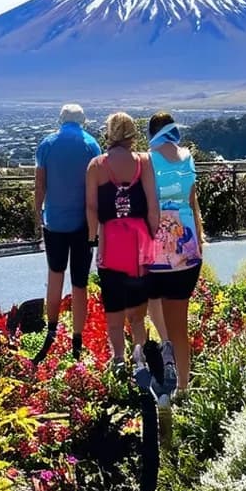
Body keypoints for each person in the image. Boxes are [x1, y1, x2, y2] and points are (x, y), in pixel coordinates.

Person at [86, 112, 160, 369]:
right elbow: (153, 206)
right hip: (140, 245)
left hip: (111, 242)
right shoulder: (145, 162)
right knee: (138, 313)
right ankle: (140, 357)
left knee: (114, 310)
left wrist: (91, 239)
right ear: (132, 134)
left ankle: (118, 359)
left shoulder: (96, 166)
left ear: (109, 134)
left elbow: (92, 208)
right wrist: (154, 237)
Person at [32, 103, 103, 365]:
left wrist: (37, 214)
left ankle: (51, 329)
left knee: (55, 274)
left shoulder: (46, 145)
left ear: (60, 120)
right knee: (80, 282)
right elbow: (97, 187)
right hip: (84, 223)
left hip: (54, 222)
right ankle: (77, 337)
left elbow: (40, 186)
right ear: (82, 120)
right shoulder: (91, 145)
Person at [144, 112, 204, 394]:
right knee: (179, 324)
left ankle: (160, 380)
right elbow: (193, 203)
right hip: (188, 245)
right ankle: (182, 386)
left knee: (151, 317)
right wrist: (200, 240)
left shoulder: (147, 161)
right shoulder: (188, 158)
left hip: (157, 250)